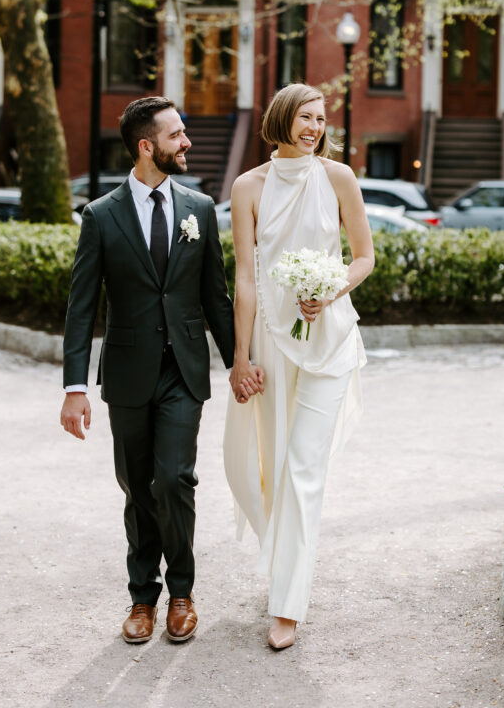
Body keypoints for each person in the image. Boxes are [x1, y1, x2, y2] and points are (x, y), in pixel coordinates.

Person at [60, 96, 235, 645]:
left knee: (174, 479)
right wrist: (74, 387)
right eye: (176, 135)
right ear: (146, 146)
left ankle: (181, 592)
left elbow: (216, 297)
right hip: (130, 373)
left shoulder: (201, 209)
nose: (186, 143)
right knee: (138, 487)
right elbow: (81, 305)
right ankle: (142, 598)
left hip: (184, 370)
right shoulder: (101, 215)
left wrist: (240, 364)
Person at [224, 83, 374, 650]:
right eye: (305, 117)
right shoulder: (247, 187)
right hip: (269, 343)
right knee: (275, 465)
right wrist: (240, 357)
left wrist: (330, 289)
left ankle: (286, 606)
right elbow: (244, 275)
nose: (314, 127)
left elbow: (364, 256)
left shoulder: (339, 179)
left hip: (330, 340)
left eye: (320, 119)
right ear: (281, 118)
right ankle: (282, 558)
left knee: (306, 467)